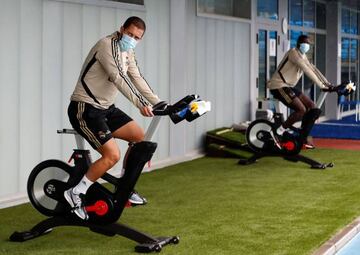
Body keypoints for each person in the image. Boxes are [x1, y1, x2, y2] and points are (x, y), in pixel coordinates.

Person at [64, 16, 161, 220]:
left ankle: (124, 187)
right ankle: (75, 192)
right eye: (130, 34)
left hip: (106, 109)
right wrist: (141, 104)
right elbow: (120, 78)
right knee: (112, 155)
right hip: (85, 107)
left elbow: (137, 77)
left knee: (138, 137)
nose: (132, 39)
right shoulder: (106, 45)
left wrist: (160, 102)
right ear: (122, 29)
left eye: (137, 37)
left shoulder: (128, 51)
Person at [267, 35, 333, 149]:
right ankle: (278, 131)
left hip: (288, 86)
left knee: (312, 106)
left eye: (308, 43)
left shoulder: (303, 56)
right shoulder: (293, 53)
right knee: (301, 110)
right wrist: (321, 85)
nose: (307, 45)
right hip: (278, 85)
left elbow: (313, 69)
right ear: (299, 43)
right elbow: (306, 69)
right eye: (305, 43)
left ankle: (302, 137)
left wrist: (327, 84)